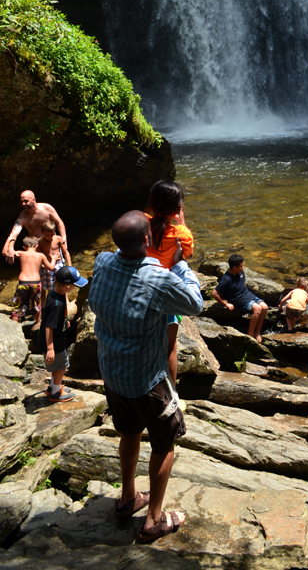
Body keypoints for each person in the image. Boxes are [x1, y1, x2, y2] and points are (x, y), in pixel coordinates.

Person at [87, 210, 203, 543]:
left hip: (113, 373)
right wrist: (180, 264)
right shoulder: (157, 279)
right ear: (149, 239)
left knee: (129, 432)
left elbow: (121, 256)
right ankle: (153, 520)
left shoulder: (102, 263)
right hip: (147, 380)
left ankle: (127, 497)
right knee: (164, 443)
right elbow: (194, 303)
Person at [146, 180, 194, 387]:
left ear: (151, 204)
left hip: (143, 288)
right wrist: (182, 223)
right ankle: (171, 393)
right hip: (166, 293)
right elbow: (187, 255)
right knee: (170, 348)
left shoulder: (142, 223)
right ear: (178, 208)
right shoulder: (182, 234)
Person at [40, 265, 88, 403]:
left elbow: (61, 305)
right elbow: (49, 326)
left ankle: (52, 387)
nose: (74, 288)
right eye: (74, 285)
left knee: (56, 366)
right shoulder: (57, 305)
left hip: (53, 339)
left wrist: (64, 320)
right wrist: (50, 349)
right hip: (54, 343)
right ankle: (56, 393)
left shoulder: (54, 292)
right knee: (62, 366)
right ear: (67, 286)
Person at [212, 254, 268, 342]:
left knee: (264, 307)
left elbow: (243, 283)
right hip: (238, 299)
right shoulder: (226, 279)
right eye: (241, 266)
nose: (243, 267)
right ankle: (250, 335)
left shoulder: (240, 272)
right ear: (234, 267)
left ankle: (257, 333)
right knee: (257, 309)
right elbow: (214, 293)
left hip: (246, 294)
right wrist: (226, 304)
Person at [3, 191, 67, 264]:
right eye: (22, 202)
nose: (23, 204)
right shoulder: (22, 217)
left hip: (52, 243)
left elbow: (59, 222)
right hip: (37, 247)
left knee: (58, 267)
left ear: (34, 200)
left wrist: (64, 238)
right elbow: (13, 234)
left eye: (26, 201)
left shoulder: (47, 208)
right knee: (40, 269)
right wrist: (11, 248)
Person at [11, 237, 56, 326]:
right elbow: (51, 267)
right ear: (37, 245)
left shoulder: (21, 253)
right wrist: (54, 259)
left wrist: (10, 239)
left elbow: (5, 252)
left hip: (23, 282)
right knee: (36, 304)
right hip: (36, 283)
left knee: (17, 306)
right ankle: (38, 324)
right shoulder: (41, 255)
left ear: (24, 247)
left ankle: (13, 327)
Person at [38, 220, 72, 310]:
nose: (50, 237)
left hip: (58, 264)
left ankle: (65, 299)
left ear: (54, 231)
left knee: (62, 282)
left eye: (52, 234)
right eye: (47, 235)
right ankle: (45, 302)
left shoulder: (58, 239)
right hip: (46, 265)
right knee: (46, 284)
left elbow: (65, 252)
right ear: (42, 232)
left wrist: (69, 266)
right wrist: (42, 264)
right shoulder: (40, 241)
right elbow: (37, 255)